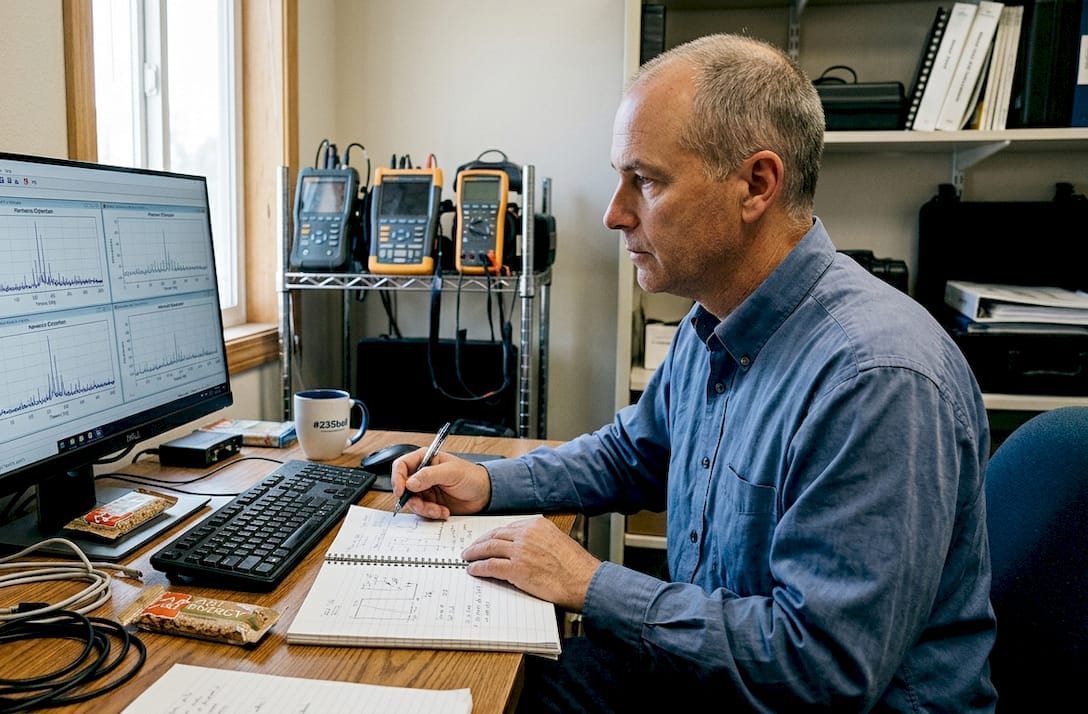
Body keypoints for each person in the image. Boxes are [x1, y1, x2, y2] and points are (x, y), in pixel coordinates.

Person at [392, 33, 997, 712]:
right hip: (716, 672)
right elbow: (632, 454)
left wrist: (590, 584)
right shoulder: (713, 318)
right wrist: (488, 483)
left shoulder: (877, 380)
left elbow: (822, 669)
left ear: (756, 185)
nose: (614, 214)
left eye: (646, 181)